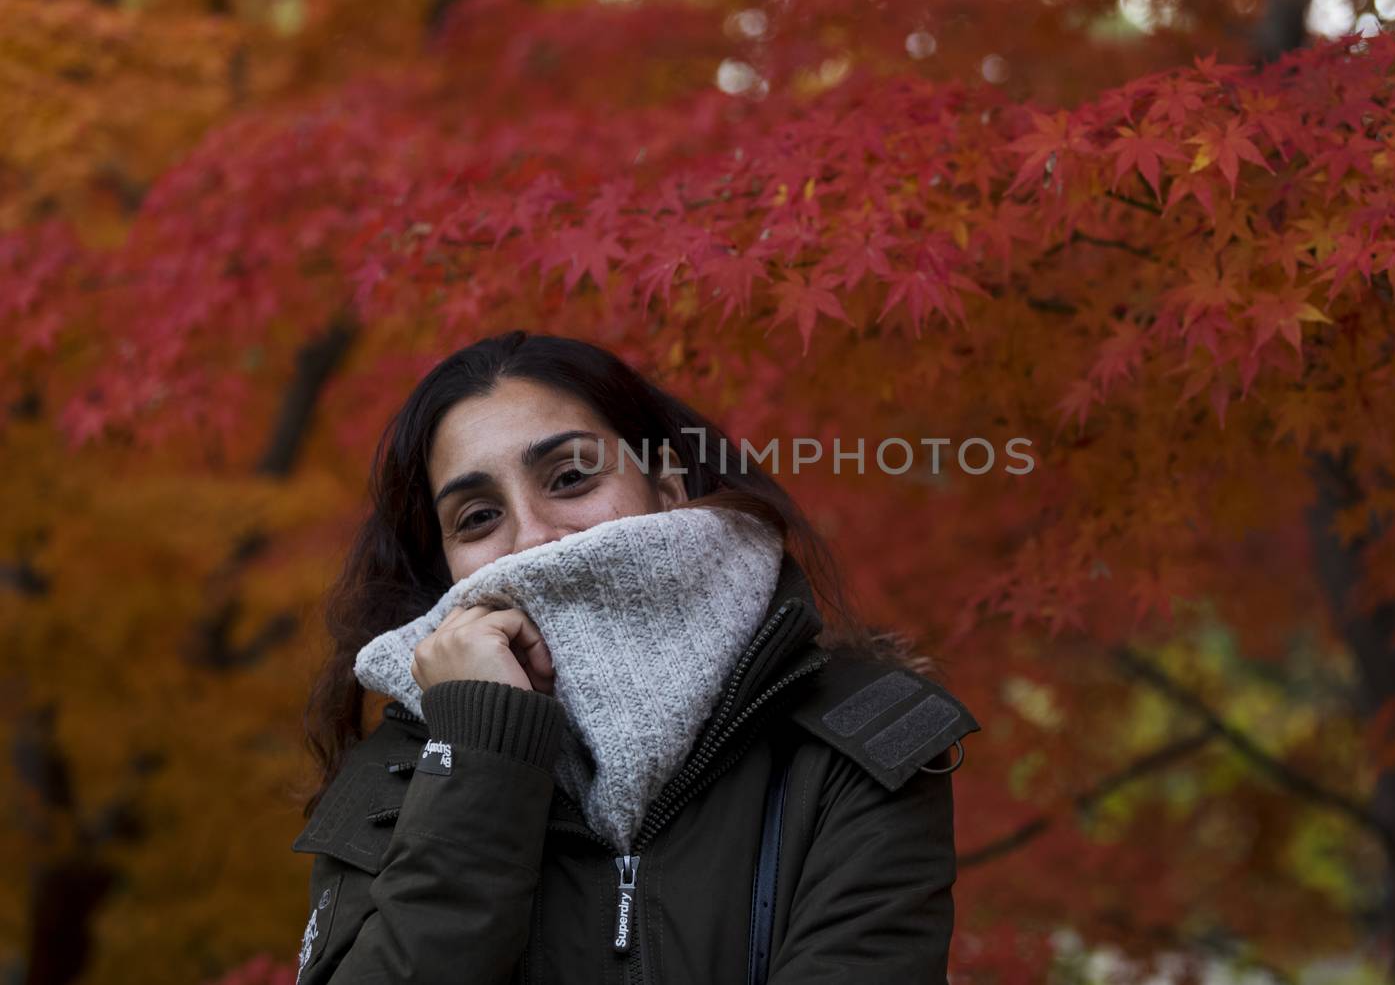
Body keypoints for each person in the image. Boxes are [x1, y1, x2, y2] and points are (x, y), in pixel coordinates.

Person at [290, 330, 980, 984]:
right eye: (478, 517)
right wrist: (480, 754)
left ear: (669, 486)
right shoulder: (397, 780)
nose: (533, 538)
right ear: (446, 569)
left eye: (569, 477)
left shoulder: (860, 735)